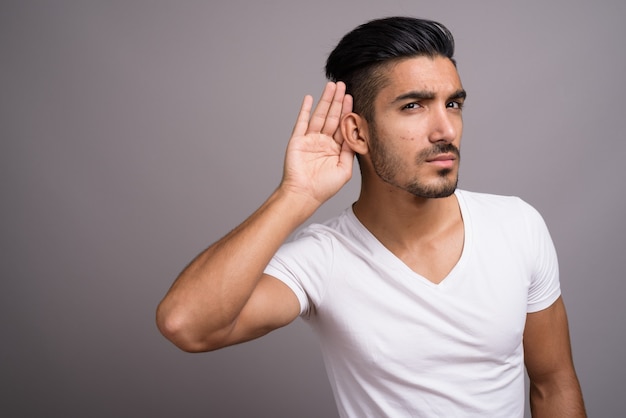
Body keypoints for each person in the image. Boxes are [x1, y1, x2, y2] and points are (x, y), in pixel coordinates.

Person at [157, 16, 586, 417]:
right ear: (357, 132)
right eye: (414, 106)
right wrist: (296, 195)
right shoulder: (322, 259)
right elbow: (187, 325)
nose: (446, 130)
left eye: (453, 104)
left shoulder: (517, 225)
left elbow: (553, 382)